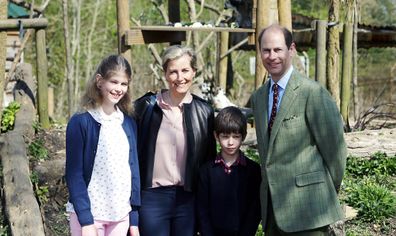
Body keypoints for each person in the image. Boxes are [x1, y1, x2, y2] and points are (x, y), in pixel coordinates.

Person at [250, 24, 347, 235]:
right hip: (273, 212)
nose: (272, 56)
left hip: (309, 211)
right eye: (266, 50)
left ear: (291, 49)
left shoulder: (312, 93)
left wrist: (325, 190)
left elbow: (335, 152)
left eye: (278, 49)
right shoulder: (258, 98)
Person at [134, 45, 217, 236]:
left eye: (185, 70)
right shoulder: (145, 107)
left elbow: (208, 161)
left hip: (187, 199)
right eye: (173, 72)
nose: (180, 78)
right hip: (152, 198)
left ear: (194, 72)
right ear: (165, 74)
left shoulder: (204, 112)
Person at [65, 55, 141, 236]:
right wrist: (86, 220)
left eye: (124, 84)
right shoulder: (81, 122)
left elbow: (133, 171)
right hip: (91, 216)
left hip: (120, 216)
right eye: (114, 82)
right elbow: (74, 174)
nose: (119, 89)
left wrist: (134, 218)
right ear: (99, 81)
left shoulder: (128, 122)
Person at [197, 106, 261, 236]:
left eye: (236, 136)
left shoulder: (253, 170)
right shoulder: (206, 171)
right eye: (225, 136)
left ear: (243, 136)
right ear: (216, 136)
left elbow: (255, 209)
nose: (230, 142)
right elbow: (202, 210)